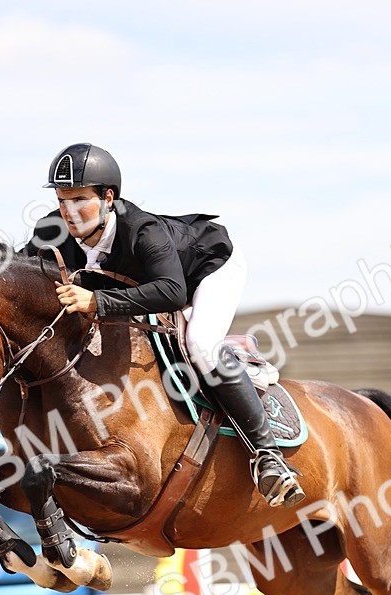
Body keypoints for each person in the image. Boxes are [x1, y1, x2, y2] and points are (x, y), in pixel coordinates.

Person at [22, 143, 305, 508]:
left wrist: (97, 301)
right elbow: (18, 276)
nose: (68, 212)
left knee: (200, 343)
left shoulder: (142, 230)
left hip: (207, 271)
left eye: (79, 200)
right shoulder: (53, 230)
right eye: (62, 200)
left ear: (109, 197)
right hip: (154, 285)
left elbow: (172, 292)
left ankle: (267, 456)